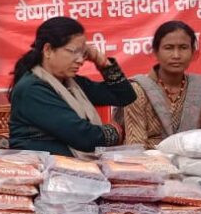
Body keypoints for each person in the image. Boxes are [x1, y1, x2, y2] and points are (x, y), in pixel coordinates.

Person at [8, 16, 136, 157]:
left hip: (70, 165)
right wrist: (116, 131)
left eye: (83, 53)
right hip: (40, 166)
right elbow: (84, 137)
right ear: (48, 50)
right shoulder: (32, 89)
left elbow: (125, 96)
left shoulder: (72, 83)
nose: (80, 60)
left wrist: (103, 63)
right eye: (73, 51)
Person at [120, 21, 201, 148]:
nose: (176, 55)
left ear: (194, 53)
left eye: (183, 48)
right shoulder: (137, 91)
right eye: (168, 48)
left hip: (193, 160)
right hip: (150, 162)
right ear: (155, 52)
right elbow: (135, 148)